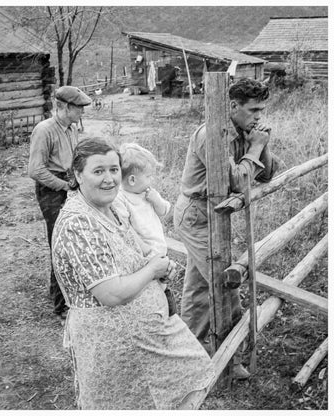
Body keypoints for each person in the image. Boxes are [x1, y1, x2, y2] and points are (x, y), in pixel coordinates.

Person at [52, 138, 214, 410]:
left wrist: (155, 260)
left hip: (143, 330)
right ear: (78, 175)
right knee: (123, 404)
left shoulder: (112, 206)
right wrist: (152, 270)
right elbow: (111, 293)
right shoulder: (77, 223)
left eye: (114, 170)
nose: (109, 179)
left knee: (185, 380)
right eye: (98, 171)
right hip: (110, 341)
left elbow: (134, 245)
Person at [174, 77, 279, 378]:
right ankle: (228, 361)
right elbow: (236, 181)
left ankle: (189, 356)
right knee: (224, 286)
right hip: (195, 215)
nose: (259, 116)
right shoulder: (212, 133)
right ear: (233, 106)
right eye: (253, 110)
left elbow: (267, 175)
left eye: (262, 110)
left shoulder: (244, 130)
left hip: (214, 215)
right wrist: (256, 147)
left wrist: (261, 144)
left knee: (198, 290)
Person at [28, 86, 92, 318]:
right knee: (60, 244)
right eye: (79, 108)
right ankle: (61, 305)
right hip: (52, 190)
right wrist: (64, 186)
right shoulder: (44, 130)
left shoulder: (71, 128)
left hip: (68, 184)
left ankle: (69, 292)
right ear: (64, 107)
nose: (82, 113)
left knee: (75, 240)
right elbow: (35, 169)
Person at [113, 143, 177, 315]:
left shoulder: (148, 193)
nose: (151, 181)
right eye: (149, 176)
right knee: (151, 293)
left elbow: (164, 211)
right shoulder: (120, 198)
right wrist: (147, 254)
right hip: (143, 257)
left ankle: (166, 314)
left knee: (162, 287)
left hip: (159, 250)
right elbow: (125, 229)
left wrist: (156, 200)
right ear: (132, 180)